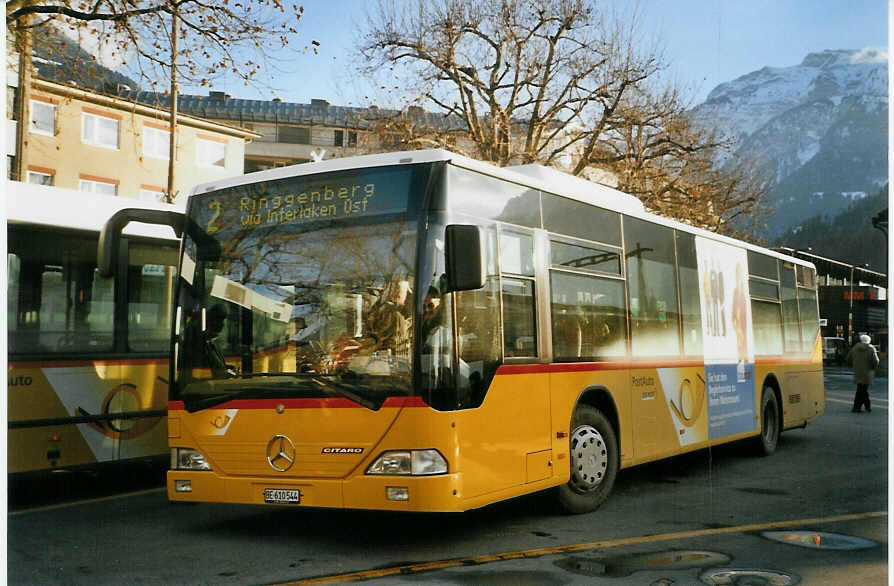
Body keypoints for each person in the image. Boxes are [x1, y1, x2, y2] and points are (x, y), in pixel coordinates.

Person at [846, 334, 879, 413]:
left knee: (861, 389)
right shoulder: (871, 349)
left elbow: (848, 359)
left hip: (857, 372)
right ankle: (858, 408)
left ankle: (864, 407)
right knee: (862, 390)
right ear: (869, 341)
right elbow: (876, 361)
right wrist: (873, 368)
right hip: (867, 372)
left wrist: (855, 365)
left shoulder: (854, 348)